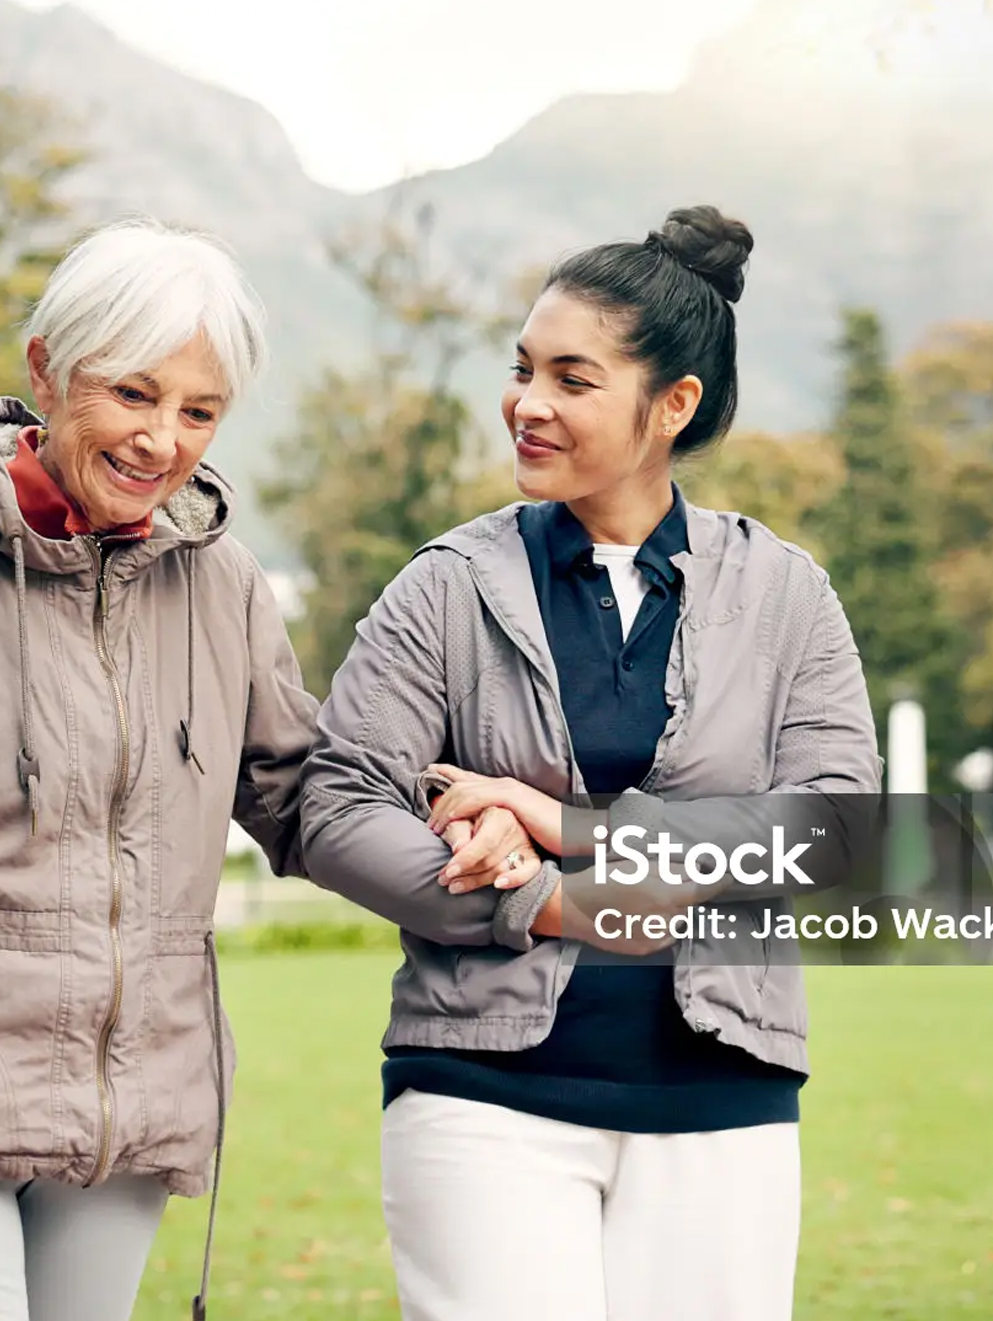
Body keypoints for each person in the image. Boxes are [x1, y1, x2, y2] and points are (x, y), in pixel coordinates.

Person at [0, 217, 535, 1321]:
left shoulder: (225, 586)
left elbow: (304, 792)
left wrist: (460, 821)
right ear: (47, 369)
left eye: (199, 411)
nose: (163, 441)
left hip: (134, 1098)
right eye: (134, 396)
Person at [298, 205, 883, 1321]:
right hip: (483, 1094)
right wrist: (534, 904)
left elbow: (836, 830)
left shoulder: (784, 593)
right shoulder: (447, 585)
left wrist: (564, 825)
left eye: (571, 378)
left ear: (672, 406)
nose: (526, 403)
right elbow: (335, 805)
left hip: (725, 1096)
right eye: (522, 370)